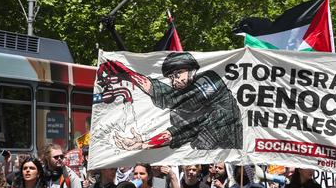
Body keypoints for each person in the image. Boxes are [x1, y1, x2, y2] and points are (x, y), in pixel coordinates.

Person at [102, 53, 243, 151]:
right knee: (176, 116)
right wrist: (143, 145)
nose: (174, 81)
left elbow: (175, 98)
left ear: (192, 70)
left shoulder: (208, 79)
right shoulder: (196, 114)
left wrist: (128, 73)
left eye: (177, 74)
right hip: (211, 154)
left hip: (232, 154)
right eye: (171, 77)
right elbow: (181, 132)